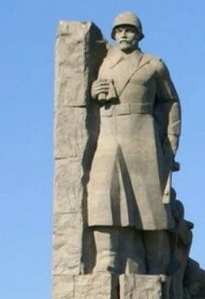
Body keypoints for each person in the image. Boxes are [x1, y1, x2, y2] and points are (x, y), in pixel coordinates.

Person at [87, 11, 181, 275]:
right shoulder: (103, 62)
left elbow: (171, 102)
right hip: (110, 130)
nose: (124, 35)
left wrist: (170, 142)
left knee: (151, 206)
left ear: (139, 34)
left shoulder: (153, 64)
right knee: (103, 195)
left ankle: (157, 265)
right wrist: (94, 92)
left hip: (143, 134)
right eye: (119, 31)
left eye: (129, 30)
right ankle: (107, 257)